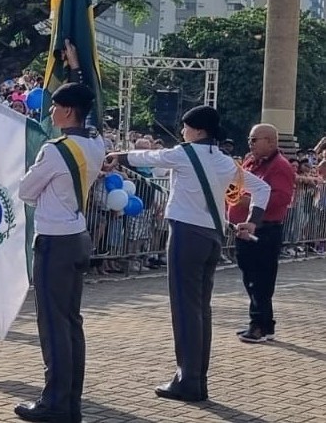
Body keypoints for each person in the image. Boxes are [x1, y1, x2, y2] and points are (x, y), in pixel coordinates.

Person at [105, 105, 270, 402]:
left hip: (186, 234)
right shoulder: (224, 161)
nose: (182, 132)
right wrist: (252, 222)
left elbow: (149, 157)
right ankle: (197, 378)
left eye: (185, 127)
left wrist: (117, 156)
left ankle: (188, 379)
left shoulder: (183, 153)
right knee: (200, 310)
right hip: (212, 238)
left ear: (197, 130)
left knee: (184, 309)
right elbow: (263, 190)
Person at [13, 82, 105, 423]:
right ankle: (70, 401)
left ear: (67, 110)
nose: (50, 112)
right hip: (77, 234)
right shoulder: (96, 142)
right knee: (70, 324)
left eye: (54, 107)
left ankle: (54, 402)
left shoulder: (56, 150)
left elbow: (26, 190)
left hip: (55, 241)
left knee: (53, 325)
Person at [231, 124, 295, 343]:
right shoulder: (250, 162)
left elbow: (282, 198)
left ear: (270, 141)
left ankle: (259, 325)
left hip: (265, 229)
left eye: (254, 139)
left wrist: (250, 201)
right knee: (251, 278)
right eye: (250, 139)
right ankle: (263, 324)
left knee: (261, 279)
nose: (250, 143)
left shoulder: (280, 166)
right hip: (244, 228)